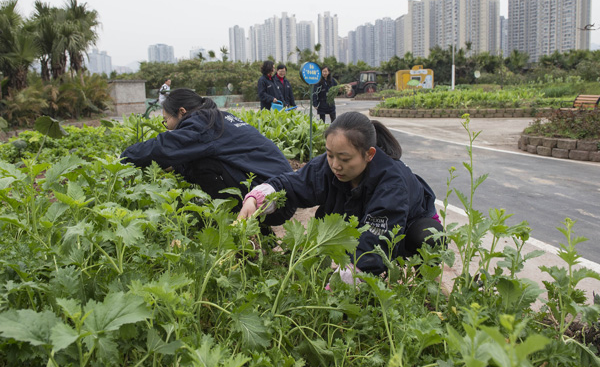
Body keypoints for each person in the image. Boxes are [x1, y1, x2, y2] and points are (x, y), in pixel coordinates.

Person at [237, 111, 443, 277]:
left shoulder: (391, 180)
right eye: (329, 154)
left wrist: (349, 276)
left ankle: (426, 288)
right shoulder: (327, 166)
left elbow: (378, 235)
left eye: (344, 158)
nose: (335, 165)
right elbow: (293, 184)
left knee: (428, 238)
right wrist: (257, 199)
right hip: (362, 217)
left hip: (405, 225)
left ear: (369, 154)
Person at [121, 88, 293, 208]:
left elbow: (163, 147)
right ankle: (256, 228)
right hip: (284, 187)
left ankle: (234, 222)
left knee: (200, 165)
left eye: (166, 120)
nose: (166, 126)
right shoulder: (217, 117)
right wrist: (177, 166)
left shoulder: (202, 123)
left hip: (271, 195)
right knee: (199, 161)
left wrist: (122, 159)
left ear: (182, 111)